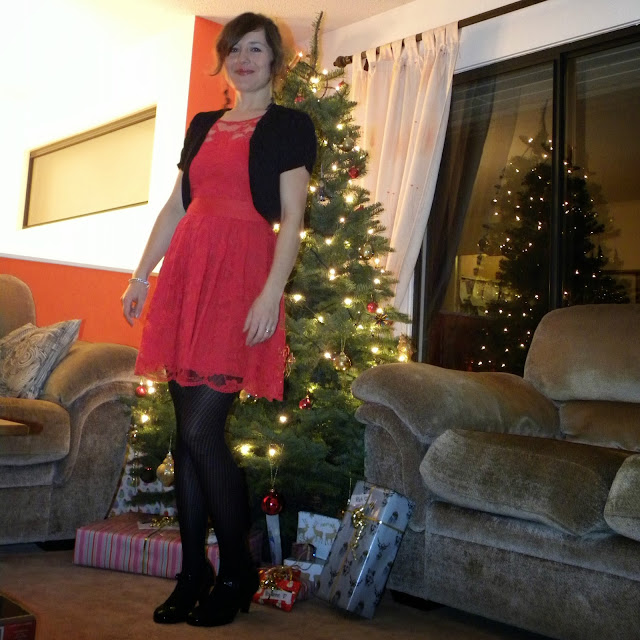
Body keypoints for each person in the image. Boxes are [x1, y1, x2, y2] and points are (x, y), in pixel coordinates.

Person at [121, 12, 316, 628]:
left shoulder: (290, 126)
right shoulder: (203, 124)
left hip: (240, 280)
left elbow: (292, 217)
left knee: (203, 432)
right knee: (186, 439)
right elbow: (177, 206)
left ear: (274, 60)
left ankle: (236, 571)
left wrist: (270, 294)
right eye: (234, 49)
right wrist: (140, 273)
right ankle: (193, 573)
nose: (243, 59)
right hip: (189, 276)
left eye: (255, 49)